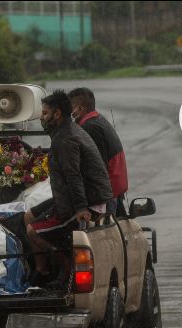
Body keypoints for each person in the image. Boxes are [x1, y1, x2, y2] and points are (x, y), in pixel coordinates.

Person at [25, 89, 113, 286]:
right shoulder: (65, 131)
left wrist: (81, 209)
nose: (42, 117)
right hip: (71, 200)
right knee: (28, 216)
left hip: (88, 203)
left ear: (57, 114)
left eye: (45, 113)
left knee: (32, 232)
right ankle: (42, 269)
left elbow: (74, 176)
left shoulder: (66, 139)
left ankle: (66, 273)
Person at [69, 87, 129, 216]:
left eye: (70, 107)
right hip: (114, 191)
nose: (69, 112)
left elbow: (96, 167)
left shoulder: (89, 128)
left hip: (105, 197)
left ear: (80, 108)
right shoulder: (98, 120)